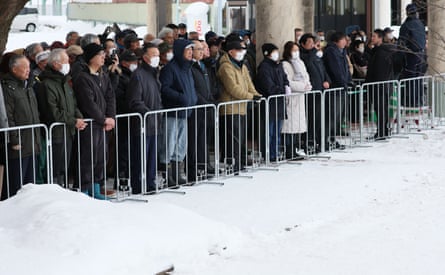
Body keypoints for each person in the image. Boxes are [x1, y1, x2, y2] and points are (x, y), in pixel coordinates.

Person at [38, 49, 87, 187]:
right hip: (56, 134)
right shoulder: (47, 84)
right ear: (55, 64)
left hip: (67, 132)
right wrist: (74, 121)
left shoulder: (64, 82)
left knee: (64, 168)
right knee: (55, 169)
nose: (68, 64)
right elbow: (53, 112)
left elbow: (73, 104)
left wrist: (79, 118)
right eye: (65, 62)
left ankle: (63, 192)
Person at [73, 43, 116, 199]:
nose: (104, 57)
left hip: (101, 124)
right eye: (100, 54)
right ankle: (84, 190)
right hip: (90, 124)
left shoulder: (103, 75)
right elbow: (88, 103)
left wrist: (111, 117)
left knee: (100, 157)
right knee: (87, 158)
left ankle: (96, 188)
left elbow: (110, 96)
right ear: (91, 57)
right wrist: (103, 119)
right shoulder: (83, 78)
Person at [217, 36, 261, 173]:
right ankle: (233, 163)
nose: (242, 52)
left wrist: (256, 95)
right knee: (233, 138)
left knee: (241, 138)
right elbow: (233, 88)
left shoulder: (242, 66)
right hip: (230, 108)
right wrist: (250, 97)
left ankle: (241, 162)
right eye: (239, 50)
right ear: (231, 52)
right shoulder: (225, 66)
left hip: (241, 108)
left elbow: (248, 83)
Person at [1, 54, 41, 200]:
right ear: (14, 69)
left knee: (30, 186)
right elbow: (8, 116)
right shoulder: (7, 88)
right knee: (15, 187)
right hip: (18, 145)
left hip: (31, 142)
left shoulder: (28, 86)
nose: (28, 71)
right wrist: (14, 139)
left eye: (29, 67)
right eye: (24, 67)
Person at [159, 39, 197, 186]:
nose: (190, 53)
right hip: (172, 112)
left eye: (191, 50)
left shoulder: (187, 68)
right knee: (169, 144)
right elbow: (165, 88)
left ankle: (176, 174)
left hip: (184, 112)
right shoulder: (170, 69)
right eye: (188, 50)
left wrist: (191, 99)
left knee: (180, 145)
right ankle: (167, 176)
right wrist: (181, 97)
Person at [127, 43, 163, 193]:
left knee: (152, 157)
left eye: (158, 54)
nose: (157, 57)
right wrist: (147, 113)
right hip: (143, 123)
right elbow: (135, 100)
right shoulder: (138, 75)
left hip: (154, 122)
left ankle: (150, 182)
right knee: (140, 157)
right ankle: (139, 185)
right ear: (145, 57)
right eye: (154, 54)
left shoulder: (154, 74)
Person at [187, 40, 216, 182]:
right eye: (198, 49)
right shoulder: (190, 67)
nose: (201, 51)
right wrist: (203, 102)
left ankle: (203, 165)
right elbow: (193, 89)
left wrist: (210, 101)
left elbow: (207, 86)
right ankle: (194, 168)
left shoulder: (202, 66)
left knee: (203, 139)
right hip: (196, 108)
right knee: (194, 140)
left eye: (202, 49)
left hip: (205, 107)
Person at [256, 43, 289, 162]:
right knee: (268, 132)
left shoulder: (278, 65)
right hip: (269, 104)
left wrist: (286, 86)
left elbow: (285, 78)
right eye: (274, 52)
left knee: (277, 131)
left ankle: (275, 153)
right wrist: (281, 90)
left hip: (279, 103)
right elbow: (268, 86)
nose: (276, 54)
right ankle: (268, 154)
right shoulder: (264, 67)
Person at [365, 29, 401, 140]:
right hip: (382, 84)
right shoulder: (379, 51)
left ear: (380, 38)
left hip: (380, 85)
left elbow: (378, 70)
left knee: (381, 109)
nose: (372, 38)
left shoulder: (382, 52)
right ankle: (383, 130)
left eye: (374, 36)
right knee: (381, 109)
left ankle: (382, 131)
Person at [299, 33, 331, 153]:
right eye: (310, 43)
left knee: (319, 118)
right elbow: (308, 63)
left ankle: (319, 140)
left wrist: (327, 80)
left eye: (313, 43)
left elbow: (323, 69)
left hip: (320, 91)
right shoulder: (304, 56)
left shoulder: (316, 56)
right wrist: (314, 51)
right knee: (310, 118)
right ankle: (309, 142)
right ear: (303, 44)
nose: (313, 45)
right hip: (310, 92)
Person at [281, 41, 312, 159]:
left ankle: (294, 148)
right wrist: (302, 86)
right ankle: (289, 150)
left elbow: (306, 76)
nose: (296, 52)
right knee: (289, 126)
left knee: (297, 126)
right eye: (293, 50)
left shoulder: (300, 63)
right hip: (291, 97)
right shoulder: (285, 64)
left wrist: (307, 85)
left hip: (300, 98)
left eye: (297, 50)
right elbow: (288, 82)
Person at [323, 31, 351, 150]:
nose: (345, 42)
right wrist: (342, 82)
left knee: (339, 116)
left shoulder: (342, 51)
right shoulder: (331, 52)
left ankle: (333, 138)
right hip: (335, 88)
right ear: (337, 41)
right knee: (332, 116)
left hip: (342, 87)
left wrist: (348, 81)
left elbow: (345, 68)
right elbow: (336, 70)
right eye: (343, 39)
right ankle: (327, 139)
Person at [398, 3, 427, 107]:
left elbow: (402, 44)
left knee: (410, 80)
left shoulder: (406, 26)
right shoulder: (420, 24)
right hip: (422, 55)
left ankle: (410, 103)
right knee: (418, 79)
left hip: (411, 55)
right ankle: (418, 102)